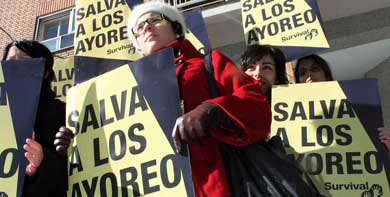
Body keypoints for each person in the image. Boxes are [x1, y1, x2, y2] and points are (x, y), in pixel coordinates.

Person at [126, 1, 271, 196]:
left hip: (217, 184)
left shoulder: (208, 63)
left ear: (176, 28)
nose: (147, 27)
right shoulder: (128, 88)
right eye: (139, 27)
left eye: (154, 19)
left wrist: (212, 110)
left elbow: (256, 104)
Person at [2, 39, 67, 196]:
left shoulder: (61, 112)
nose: (14, 67)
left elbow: (72, 174)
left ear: (44, 72)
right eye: (10, 62)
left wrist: (40, 164)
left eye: (24, 61)